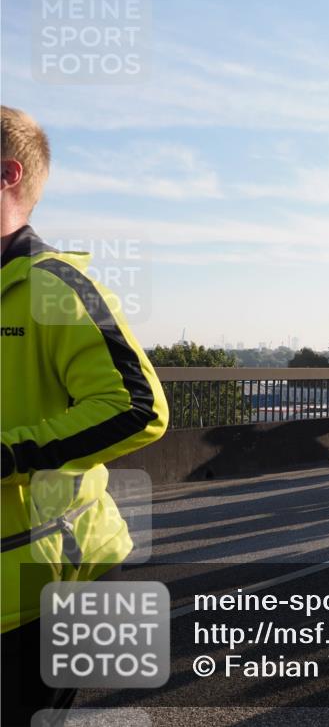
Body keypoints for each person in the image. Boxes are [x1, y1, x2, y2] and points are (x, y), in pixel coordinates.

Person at [1, 106, 170, 726]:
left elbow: (138, 406)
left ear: (6, 174)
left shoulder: (52, 287)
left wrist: (10, 455)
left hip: (51, 588)